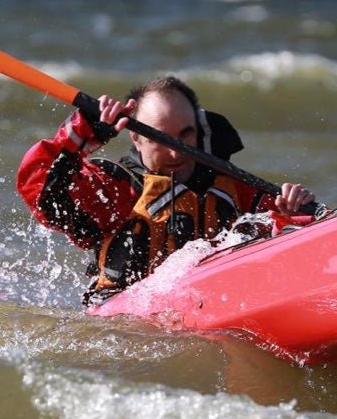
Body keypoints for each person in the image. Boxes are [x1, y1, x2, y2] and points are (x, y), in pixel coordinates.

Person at [17, 76, 315, 303]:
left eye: (185, 136)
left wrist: (289, 214)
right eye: (161, 139)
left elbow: (285, 243)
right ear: (136, 138)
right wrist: (85, 132)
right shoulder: (115, 188)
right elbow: (40, 191)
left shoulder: (232, 186)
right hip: (128, 327)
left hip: (210, 304)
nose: (176, 154)